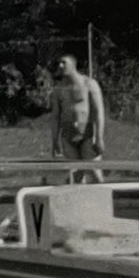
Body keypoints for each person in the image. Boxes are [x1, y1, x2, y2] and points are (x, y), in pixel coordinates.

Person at [51, 54, 106, 183]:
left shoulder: (89, 84)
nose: (60, 65)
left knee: (94, 172)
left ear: (73, 64)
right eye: (59, 63)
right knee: (75, 175)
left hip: (87, 133)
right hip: (68, 135)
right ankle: (79, 202)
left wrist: (99, 138)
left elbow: (99, 112)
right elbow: (55, 117)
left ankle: (103, 201)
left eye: (64, 62)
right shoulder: (59, 89)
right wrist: (55, 141)